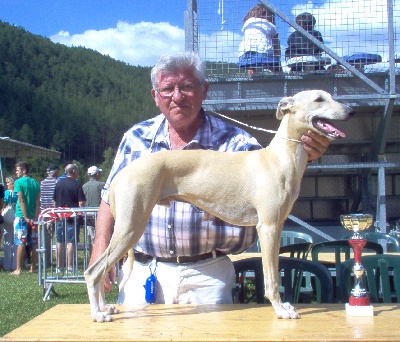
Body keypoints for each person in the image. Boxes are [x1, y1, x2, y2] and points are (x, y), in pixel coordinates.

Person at [89, 52, 330, 306]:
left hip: (208, 275)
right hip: (144, 271)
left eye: (187, 87)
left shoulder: (236, 141)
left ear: (204, 90)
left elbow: (272, 176)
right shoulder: (135, 137)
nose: (177, 97)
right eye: (168, 89)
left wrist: (307, 153)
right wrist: (101, 245)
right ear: (156, 97)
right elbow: (109, 196)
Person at [53, 163, 86, 272]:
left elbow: (54, 201)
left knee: (59, 241)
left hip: (59, 216)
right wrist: (81, 212)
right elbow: (81, 202)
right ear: (73, 172)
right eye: (77, 170)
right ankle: (70, 266)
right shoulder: (77, 184)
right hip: (72, 217)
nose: (78, 172)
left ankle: (59, 266)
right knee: (71, 241)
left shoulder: (58, 184)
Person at [237, 4, 281, 77]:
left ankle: (250, 78)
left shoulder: (248, 23)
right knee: (275, 66)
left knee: (251, 66)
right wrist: (277, 56)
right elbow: (276, 44)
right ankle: (279, 78)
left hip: (245, 53)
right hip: (263, 51)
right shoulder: (270, 25)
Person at [12, 162, 40, 275]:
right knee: (34, 243)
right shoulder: (35, 183)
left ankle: (18, 268)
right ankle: (33, 267)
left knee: (20, 242)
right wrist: (35, 216)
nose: (16, 172)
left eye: (18, 170)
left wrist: (25, 216)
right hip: (33, 216)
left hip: (21, 216)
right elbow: (38, 202)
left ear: (24, 170)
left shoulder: (18, 182)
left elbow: (21, 200)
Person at [40, 163, 60, 265]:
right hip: (55, 213)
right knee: (58, 239)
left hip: (44, 213)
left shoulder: (42, 183)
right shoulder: (57, 182)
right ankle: (59, 261)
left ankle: (46, 262)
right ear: (55, 172)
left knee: (46, 239)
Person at [83, 166, 105, 241]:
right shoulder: (101, 185)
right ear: (97, 174)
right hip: (100, 213)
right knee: (101, 235)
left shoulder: (84, 186)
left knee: (92, 237)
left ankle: (92, 251)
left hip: (88, 213)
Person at [2, 176, 18, 270]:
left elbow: (4, 203)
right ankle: (14, 264)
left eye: (8, 183)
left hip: (8, 216)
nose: (7, 185)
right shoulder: (17, 193)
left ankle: (7, 264)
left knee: (7, 240)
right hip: (16, 215)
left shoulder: (7, 193)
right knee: (15, 240)